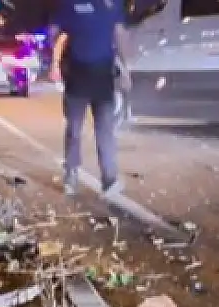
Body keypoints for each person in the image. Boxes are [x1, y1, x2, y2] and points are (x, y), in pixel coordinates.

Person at [50, 0, 129, 196]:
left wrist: (126, 69)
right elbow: (57, 33)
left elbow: (119, 34)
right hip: (77, 75)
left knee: (105, 130)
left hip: (103, 76)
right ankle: (71, 174)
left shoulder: (113, 4)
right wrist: (56, 62)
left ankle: (109, 179)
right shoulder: (71, 4)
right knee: (74, 129)